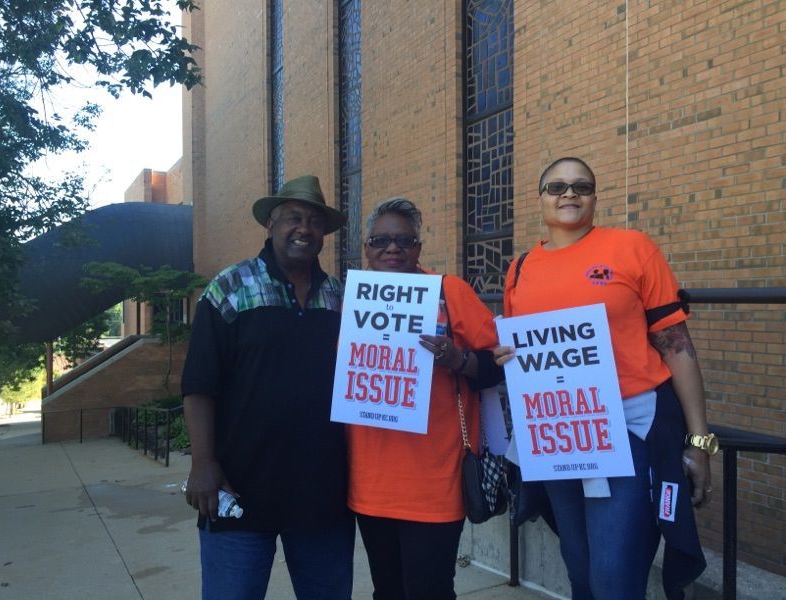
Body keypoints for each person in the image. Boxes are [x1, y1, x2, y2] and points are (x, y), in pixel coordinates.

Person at [494, 157, 714, 599]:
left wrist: (700, 442)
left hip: (630, 426)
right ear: (540, 200)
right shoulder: (519, 269)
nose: (569, 194)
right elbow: (523, 350)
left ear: (595, 197)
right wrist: (507, 355)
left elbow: (677, 346)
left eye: (582, 186)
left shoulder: (632, 248)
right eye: (556, 187)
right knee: (580, 570)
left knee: (614, 577)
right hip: (558, 430)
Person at [181, 175, 354, 600]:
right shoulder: (230, 288)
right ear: (271, 225)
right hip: (238, 488)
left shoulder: (342, 298)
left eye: (315, 221)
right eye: (293, 218)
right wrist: (202, 462)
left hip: (322, 492)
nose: (304, 229)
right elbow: (200, 383)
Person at [347, 197, 504, 600]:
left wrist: (459, 360)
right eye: (380, 240)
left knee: (429, 590)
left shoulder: (448, 292)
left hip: (435, 481)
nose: (392, 249)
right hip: (370, 483)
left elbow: (497, 365)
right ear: (366, 248)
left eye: (405, 240)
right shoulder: (349, 299)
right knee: (388, 591)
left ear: (419, 247)